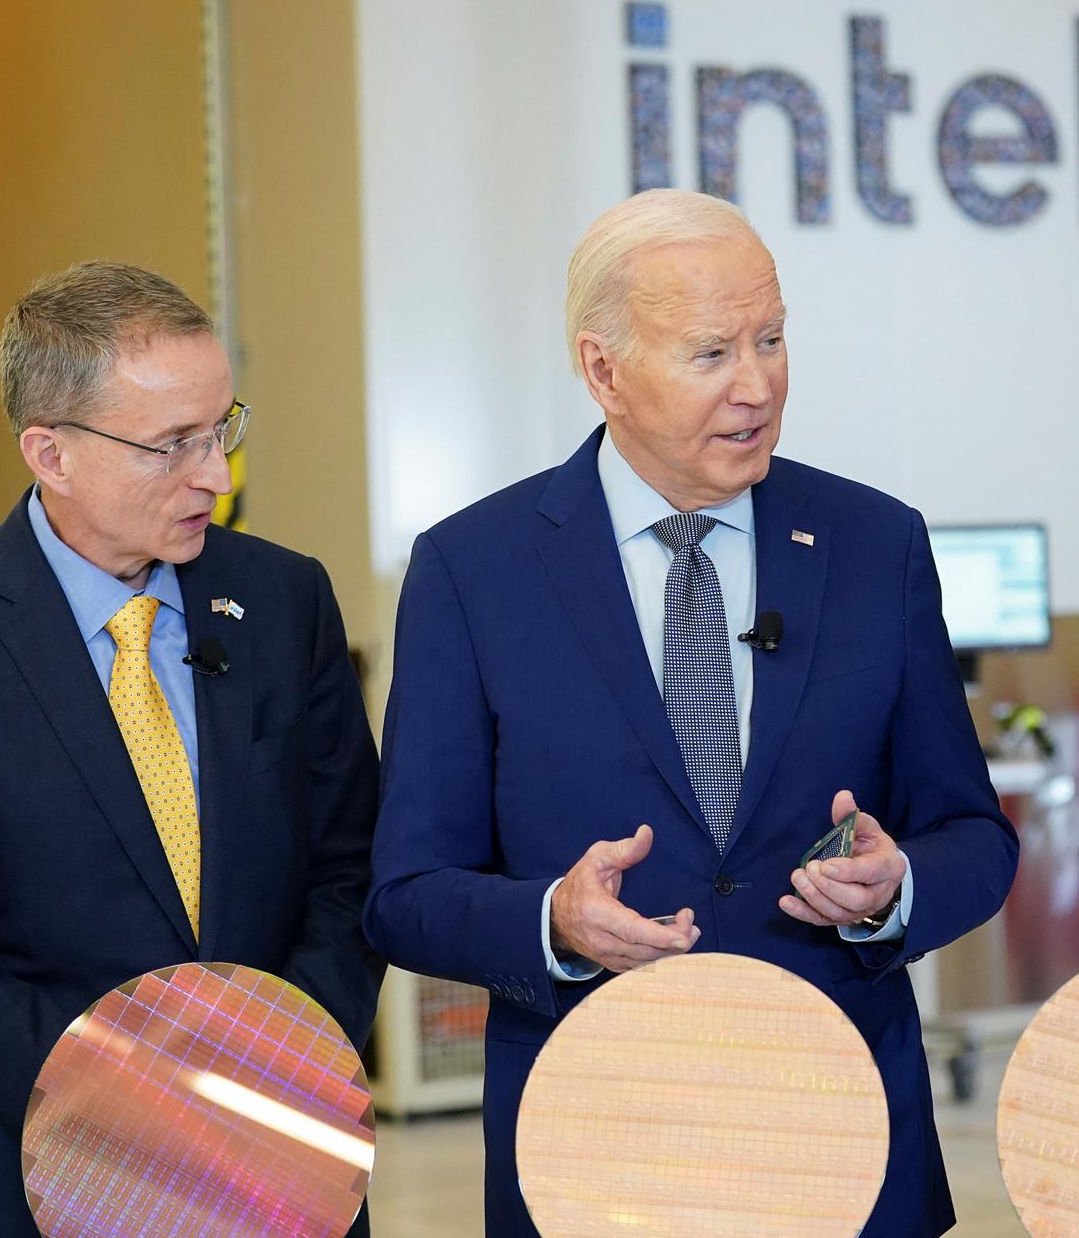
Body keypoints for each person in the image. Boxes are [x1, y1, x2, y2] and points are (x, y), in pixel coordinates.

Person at [364, 188, 1018, 1236]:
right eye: (712, 353)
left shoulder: (874, 545)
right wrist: (554, 921)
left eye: (772, 338)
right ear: (603, 369)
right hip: (596, 1141)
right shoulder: (471, 572)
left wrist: (899, 886)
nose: (757, 385)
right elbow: (403, 891)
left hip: (842, 1135)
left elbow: (975, 836)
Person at [0, 261, 383, 1235]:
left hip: (277, 1159)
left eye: (223, 429)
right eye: (172, 445)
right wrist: (136, 1101)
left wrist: (280, 1065)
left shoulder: (284, 601)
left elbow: (348, 868)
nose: (215, 473)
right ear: (50, 452)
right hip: (36, 1171)